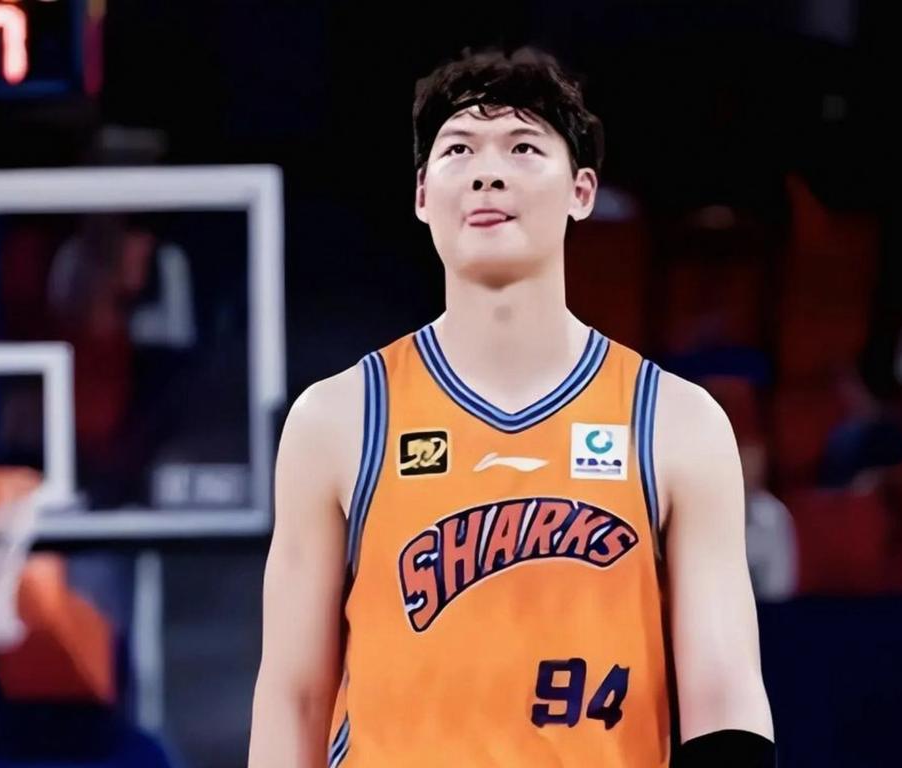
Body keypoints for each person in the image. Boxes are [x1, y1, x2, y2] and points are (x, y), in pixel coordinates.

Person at [248, 47, 775, 768]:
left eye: (524, 146)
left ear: (582, 192)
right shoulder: (338, 420)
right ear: (422, 196)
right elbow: (294, 697)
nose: (487, 171)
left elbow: (724, 693)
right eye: (458, 149)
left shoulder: (675, 423)